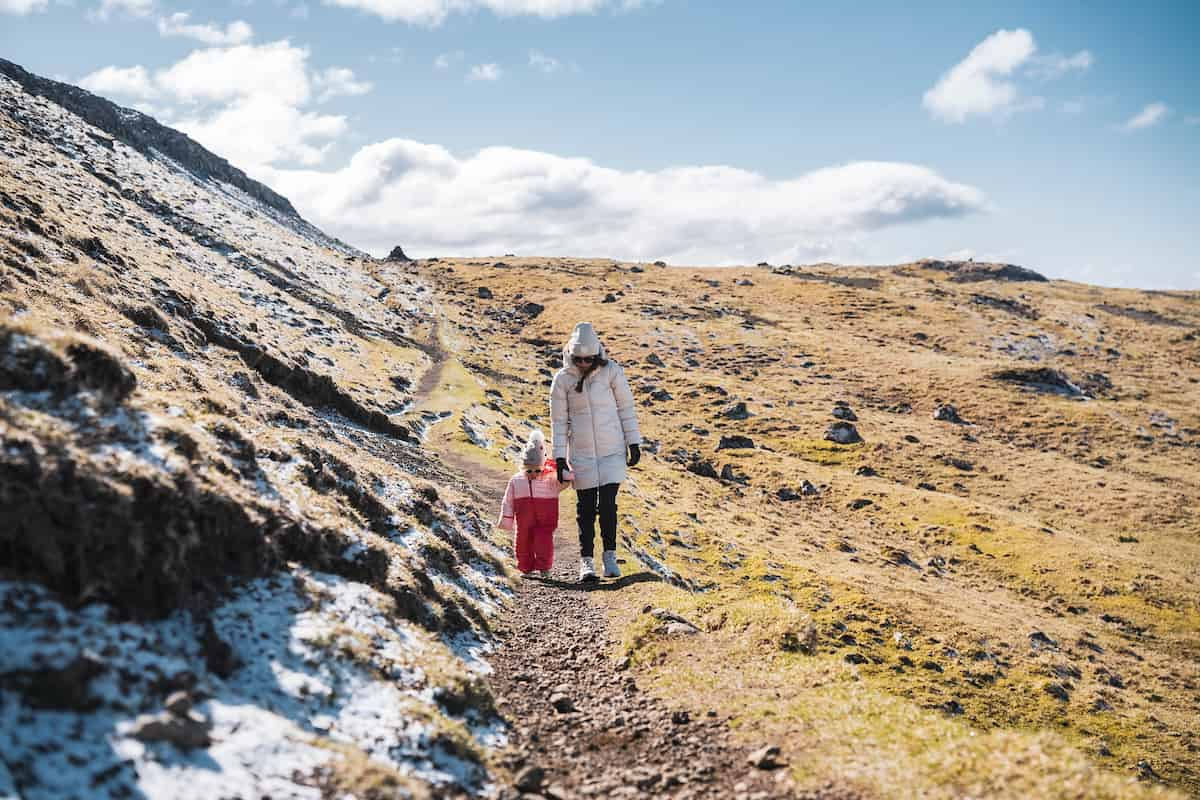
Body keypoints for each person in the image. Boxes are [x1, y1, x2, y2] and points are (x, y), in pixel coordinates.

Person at [550, 322, 642, 582]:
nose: (583, 363)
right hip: (582, 453)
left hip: (612, 450)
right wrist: (559, 457)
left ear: (596, 355)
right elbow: (558, 421)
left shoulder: (612, 372)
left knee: (609, 506)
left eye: (588, 359)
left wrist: (633, 442)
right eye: (578, 359)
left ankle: (610, 558)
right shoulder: (562, 379)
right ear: (571, 354)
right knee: (586, 509)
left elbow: (626, 408)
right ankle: (586, 562)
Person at [497, 429, 571, 577]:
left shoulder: (550, 478)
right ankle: (526, 568)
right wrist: (506, 520)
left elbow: (567, 480)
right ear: (523, 467)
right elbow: (508, 501)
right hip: (524, 520)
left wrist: (557, 466)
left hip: (546, 520)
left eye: (537, 471)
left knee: (544, 543)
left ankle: (544, 568)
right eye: (528, 471)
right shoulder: (516, 480)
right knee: (523, 543)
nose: (533, 474)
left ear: (542, 467)